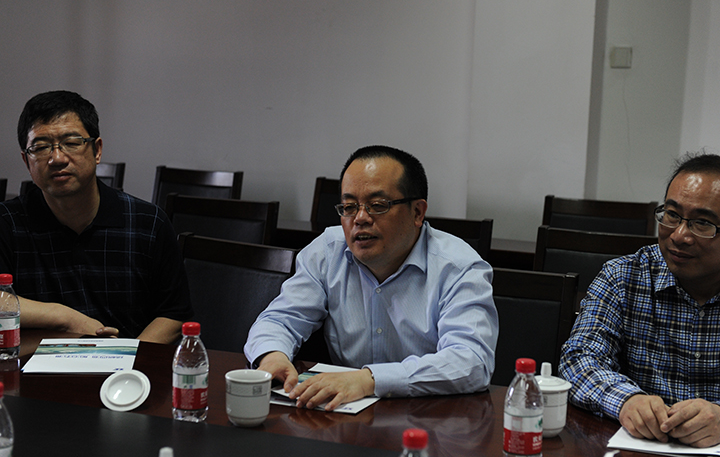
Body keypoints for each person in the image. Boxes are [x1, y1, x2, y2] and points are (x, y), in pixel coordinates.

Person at [244, 145, 497, 411]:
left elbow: (472, 361)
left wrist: (369, 380)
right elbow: (279, 319)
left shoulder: (459, 268)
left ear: (417, 212)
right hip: (342, 418)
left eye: (377, 206)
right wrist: (272, 355)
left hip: (430, 419)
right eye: (349, 207)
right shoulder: (327, 252)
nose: (360, 218)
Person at [0, 90, 192, 344]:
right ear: (27, 161)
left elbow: (174, 314)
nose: (57, 158)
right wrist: (64, 317)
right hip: (34, 365)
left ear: (97, 150)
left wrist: (127, 357)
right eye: (41, 147)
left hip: (130, 364)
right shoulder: (7, 222)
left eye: (71, 142)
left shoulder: (148, 222)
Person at [560, 152, 720, 448]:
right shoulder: (623, 276)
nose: (679, 235)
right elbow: (579, 358)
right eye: (672, 215)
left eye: (702, 223)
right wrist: (626, 400)